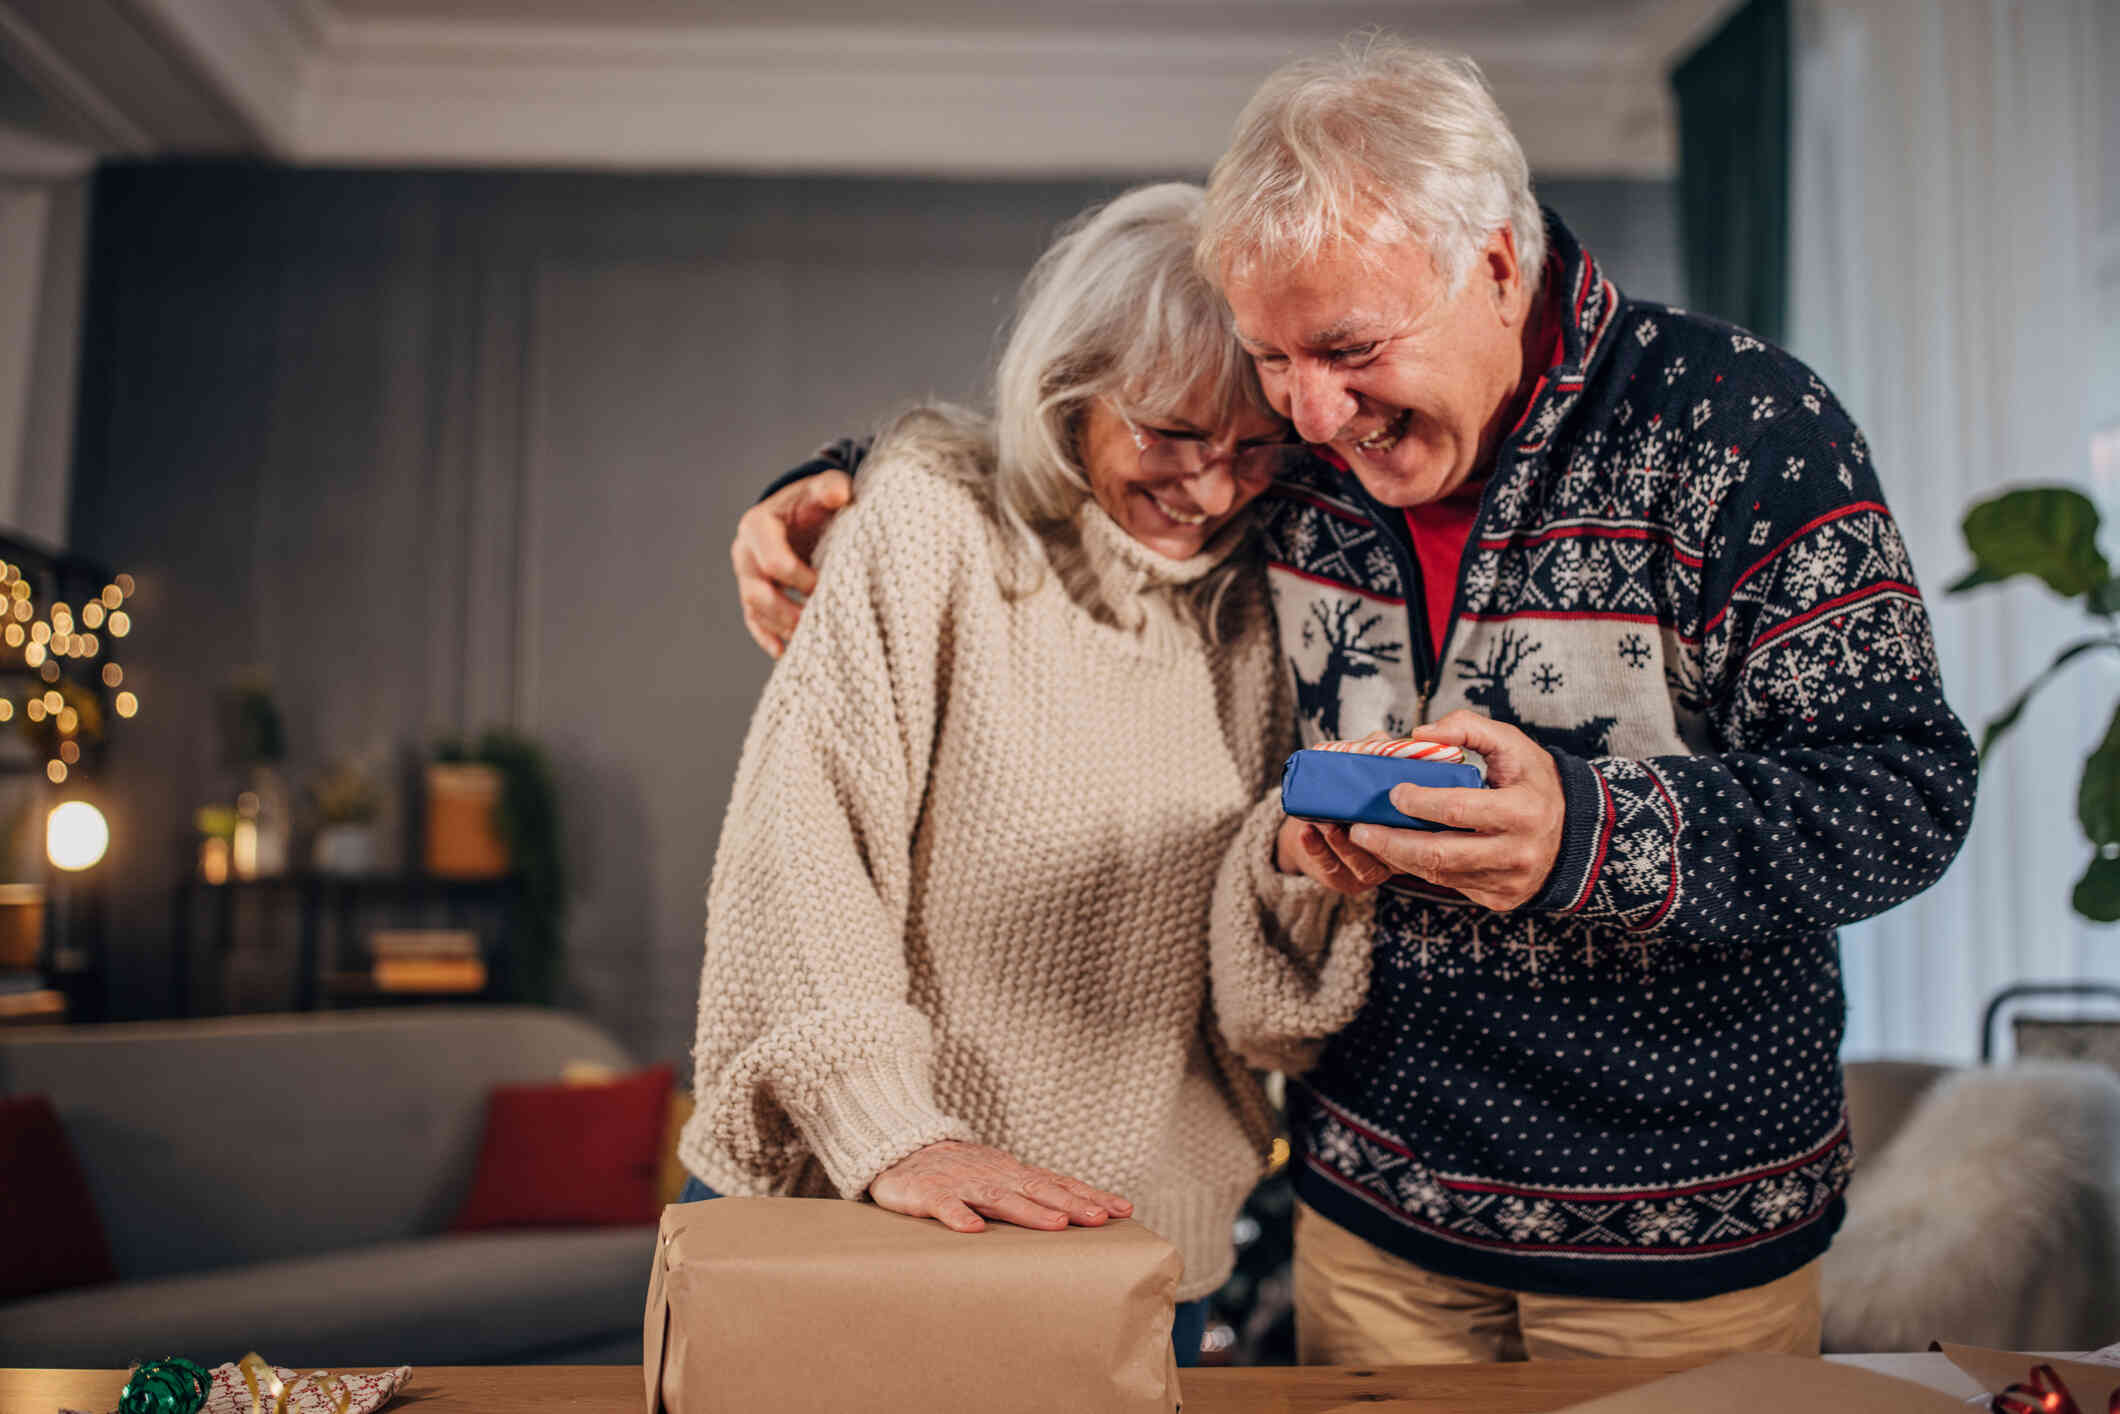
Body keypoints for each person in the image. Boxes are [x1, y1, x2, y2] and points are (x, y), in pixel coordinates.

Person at [728, 39, 1978, 1364]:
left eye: (1345, 347)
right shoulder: (1292, 459)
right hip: (1369, 1206)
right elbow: (1067, 445)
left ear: (1494, 264)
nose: (1309, 416)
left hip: (1677, 1229)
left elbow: (1903, 790)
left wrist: (1587, 831)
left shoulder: (1738, 426)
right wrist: (843, 479)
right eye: (1274, 358)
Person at [678, 182, 1370, 1367]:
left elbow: (1257, 1008)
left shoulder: (1269, 601)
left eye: (1256, 448)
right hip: (856, 1206)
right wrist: (891, 1133)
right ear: (1071, 385)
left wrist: (1300, 872)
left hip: (1128, 1243)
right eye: (1167, 433)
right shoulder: (932, 522)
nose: (1210, 488)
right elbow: (802, 849)